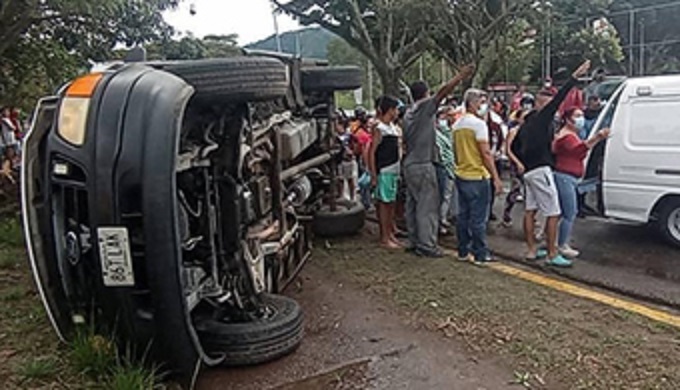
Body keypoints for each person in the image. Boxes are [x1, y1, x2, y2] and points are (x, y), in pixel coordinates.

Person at [512, 60, 592, 268]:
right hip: (541, 170)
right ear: (542, 104)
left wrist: (524, 162)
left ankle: (531, 250)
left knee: (530, 210)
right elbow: (559, 98)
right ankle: (552, 253)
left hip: (529, 172)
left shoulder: (526, 124)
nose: (554, 108)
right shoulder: (541, 119)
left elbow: (513, 148)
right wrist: (574, 77)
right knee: (554, 212)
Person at [403, 65, 474, 258]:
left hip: (409, 163)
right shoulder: (424, 108)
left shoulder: (409, 112)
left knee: (413, 205)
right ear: (425, 94)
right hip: (423, 163)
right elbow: (442, 92)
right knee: (428, 206)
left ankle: (414, 240)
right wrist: (460, 76)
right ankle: (427, 245)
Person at [452, 89, 503, 264]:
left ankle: (462, 250)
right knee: (478, 218)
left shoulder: (457, 125)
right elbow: (486, 153)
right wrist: (496, 177)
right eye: (482, 102)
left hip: (461, 174)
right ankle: (480, 254)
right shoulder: (479, 125)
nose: (484, 106)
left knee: (463, 216)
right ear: (473, 103)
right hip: (478, 176)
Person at [553, 108, 610, 258]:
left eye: (581, 115)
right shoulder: (566, 137)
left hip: (569, 176)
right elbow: (579, 150)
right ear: (568, 119)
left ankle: (551, 239)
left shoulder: (572, 135)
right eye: (577, 116)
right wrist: (597, 137)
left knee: (561, 212)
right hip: (565, 176)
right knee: (569, 212)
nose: (581, 119)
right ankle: (562, 245)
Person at [368, 95, 403, 249]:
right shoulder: (379, 128)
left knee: (391, 204)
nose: (397, 112)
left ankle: (390, 233)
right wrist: (374, 174)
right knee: (384, 203)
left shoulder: (393, 128)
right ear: (389, 110)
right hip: (384, 170)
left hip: (394, 169)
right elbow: (371, 152)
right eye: (395, 109)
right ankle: (384, 237)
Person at [502, 109, 528, 227]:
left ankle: (530, 217)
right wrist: (517, 163)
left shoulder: (530, 132)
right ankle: (507, 214)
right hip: (516, 164)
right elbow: (508, 150)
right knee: (515, 190)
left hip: (528, 164)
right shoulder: (514, 131)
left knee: (529, 192)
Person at [435, 106, 456, 234]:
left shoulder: (448, 131)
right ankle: (440, 221)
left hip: (449, 167)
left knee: (447, 196)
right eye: (450, 115)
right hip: (444, 168)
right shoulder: (439, 133)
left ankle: (443, 218)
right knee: (444, 196)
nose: (453, 118)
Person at [336, 115, 358, 201]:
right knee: (340, 179)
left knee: (349, 179)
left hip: (347, 160)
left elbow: (356, 143)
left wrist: (352, 151)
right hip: (339, 160)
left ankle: (352, 197)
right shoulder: (335, 136)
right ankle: (341, 196)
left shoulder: (348, 135)